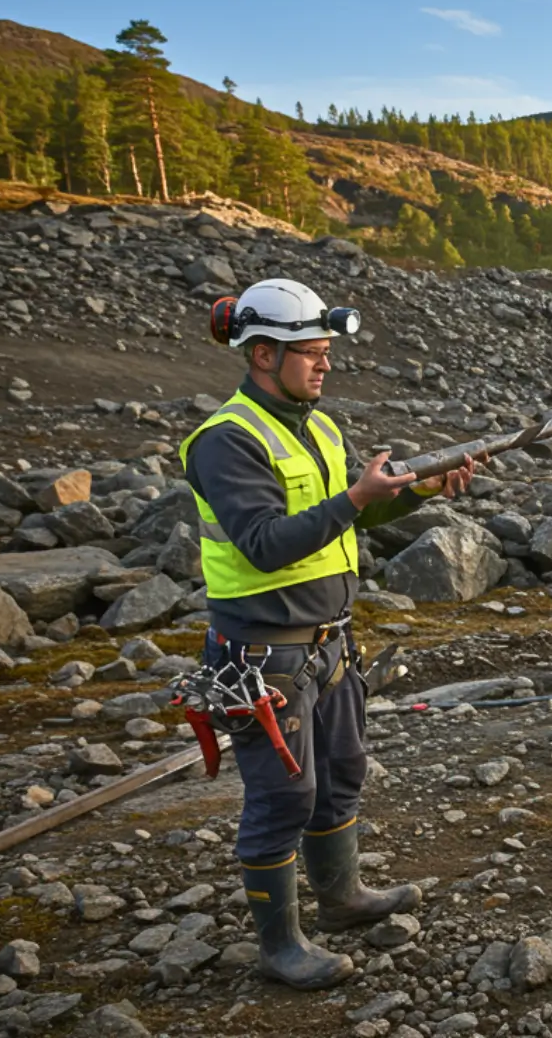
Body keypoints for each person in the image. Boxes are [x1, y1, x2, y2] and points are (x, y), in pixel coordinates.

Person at [180, 278, 476, 989]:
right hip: (262, 653)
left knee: (340, 777)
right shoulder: (226, 442)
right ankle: (279, 947)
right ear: (260, 356)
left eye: (324, 352)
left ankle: (341, 900)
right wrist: (356, 496)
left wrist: (414, 493)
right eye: (310, 353)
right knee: (283, 796)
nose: (325, 365)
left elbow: (348, 517)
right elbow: (263, 543)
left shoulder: (316, 425)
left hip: (328, 643)